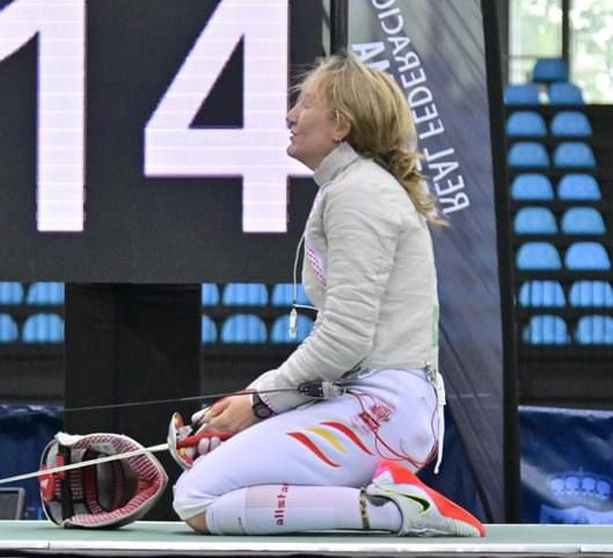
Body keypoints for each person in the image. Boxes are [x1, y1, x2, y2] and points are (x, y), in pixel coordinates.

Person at [171, 52, 485, 537]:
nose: (291, 115)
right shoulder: (350, 188)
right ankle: (386, 502)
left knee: (197, 496)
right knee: (206, 481)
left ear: (340, 124)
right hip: (371, 403)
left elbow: (344, 339)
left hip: (383, 411)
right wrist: (250, 408)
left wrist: (259, 402)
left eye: (306, 104)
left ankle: (395, 510)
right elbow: (344, 355)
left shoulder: (358, 195)